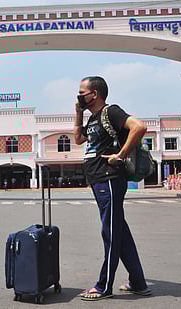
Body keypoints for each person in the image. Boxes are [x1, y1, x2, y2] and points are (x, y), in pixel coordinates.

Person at [73, 76, 151, 301]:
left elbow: (139, 127)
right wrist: (79, 112)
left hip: (110, 179)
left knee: (110, 233)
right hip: (99, 180)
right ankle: (138, 282)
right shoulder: (94, 119)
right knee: (120, 232)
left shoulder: (111, 112)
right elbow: (78, 138)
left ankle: (104, 286)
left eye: (82, 92)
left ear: (94, 94)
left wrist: (121, 155)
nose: (79, 96)